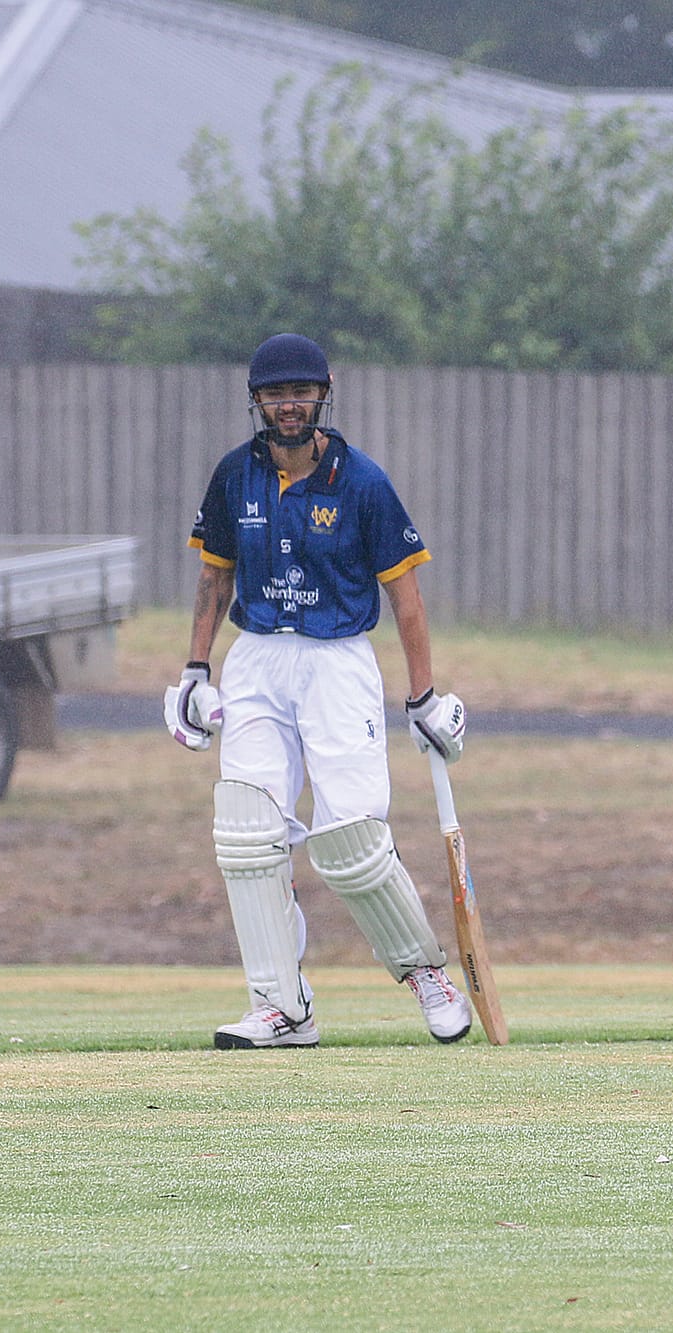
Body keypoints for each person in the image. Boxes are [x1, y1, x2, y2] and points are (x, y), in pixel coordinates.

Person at [164, 332, 473, 1049]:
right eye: (275, 394)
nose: (289, 405)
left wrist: (423, 697)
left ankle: (427, 974)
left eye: (300, 392)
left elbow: (406, 596)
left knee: (352, 837)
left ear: (323, 394)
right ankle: (282, 1006)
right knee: (247, 829)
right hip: (257, 659)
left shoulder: (362, 481)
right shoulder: (233, 475)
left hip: (337, 659)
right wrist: (194, 671)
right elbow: (215, 577)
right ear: (258, 402)